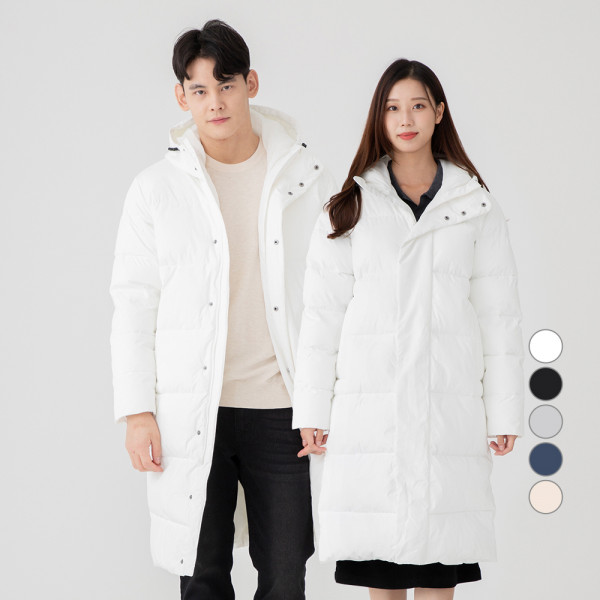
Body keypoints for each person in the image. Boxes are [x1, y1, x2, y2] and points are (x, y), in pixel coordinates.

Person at [109, 19, 336, 600]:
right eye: (200, 89)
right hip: (193, 410)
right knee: (202, 576)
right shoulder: (156, 190)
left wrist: (323, 398)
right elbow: (133, 304)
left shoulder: (305, 181)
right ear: (181, 96)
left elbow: (333, 299)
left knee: (285, 576)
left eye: (227, 85)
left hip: (281, 408)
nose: (215, 102)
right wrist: (137, 411)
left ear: (251, 84)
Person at [292, 59, 524, 600]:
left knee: (440, 568)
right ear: (379, 118)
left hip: (448, 409)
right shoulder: (349, 206)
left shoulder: (474, 205)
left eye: (418, 105)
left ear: (439, 112)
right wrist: (312, 411)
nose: (405, 119)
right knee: (383, 570)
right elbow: (321, 317)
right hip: (370, 414)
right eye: (393, 108)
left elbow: (499, 317)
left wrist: (505, 412)